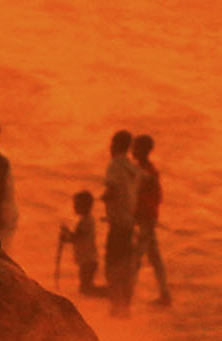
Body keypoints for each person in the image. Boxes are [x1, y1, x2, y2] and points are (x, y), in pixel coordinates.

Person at [101, 130, 141, 317]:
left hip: (117, 223)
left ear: (115, 145)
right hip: (129, 222)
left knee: (113, 263)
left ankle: (116, 305)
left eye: (111, 143)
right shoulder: (132, 168)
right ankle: (126, 305)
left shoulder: (115, 166)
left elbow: (112, 189)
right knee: (126, 264)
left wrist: (101, 199)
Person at [130, 133, 172, 308]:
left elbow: (144, 195)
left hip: (145, 218)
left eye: (135, 147)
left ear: (141, 151)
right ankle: (165, 295)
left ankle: (127, 297)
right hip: (146, 218)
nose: (132, 150)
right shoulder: (147, 171)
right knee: (154, 258)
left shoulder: (147, 173)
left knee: (136, 258)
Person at [56, 190, 102, 294]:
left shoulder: (86, 221)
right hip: (87, 260)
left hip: (88, 260)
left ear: (84, 206)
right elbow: (77, 238)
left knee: (86, 289)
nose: (74, 207)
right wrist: (66, 235)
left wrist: (66, 233)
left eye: (77, 204)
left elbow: (76, 238)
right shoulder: (86, 220)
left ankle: (112, 292)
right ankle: (113, 293)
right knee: (86, 288)